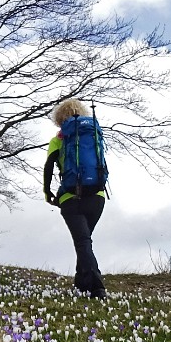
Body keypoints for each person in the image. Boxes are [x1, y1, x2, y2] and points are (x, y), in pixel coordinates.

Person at [43, 97, 108, 299]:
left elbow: (49, 167)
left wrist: (48, 192)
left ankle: (97, 287)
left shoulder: (59, 139)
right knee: (85, 241)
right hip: (97, 196)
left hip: (71, 197)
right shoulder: (94, 133)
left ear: (59, 118)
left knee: (82, 241)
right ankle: (81, 283)